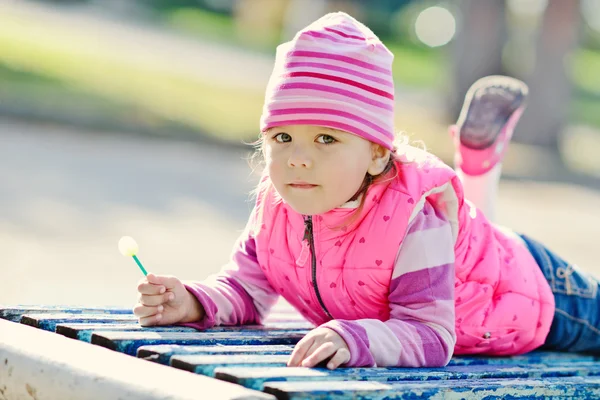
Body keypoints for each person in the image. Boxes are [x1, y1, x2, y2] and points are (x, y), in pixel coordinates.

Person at [133, 12, 599, 370]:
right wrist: (193, 300)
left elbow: (432, 335)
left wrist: (358, 339)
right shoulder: (278, 206)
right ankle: (478, 171)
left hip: (538, 293)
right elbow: (246, 290)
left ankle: (477, 173)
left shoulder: (410, 219)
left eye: (327, 139)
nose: (298, 157)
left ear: (378, 155)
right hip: (473, 272)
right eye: (282, 137)